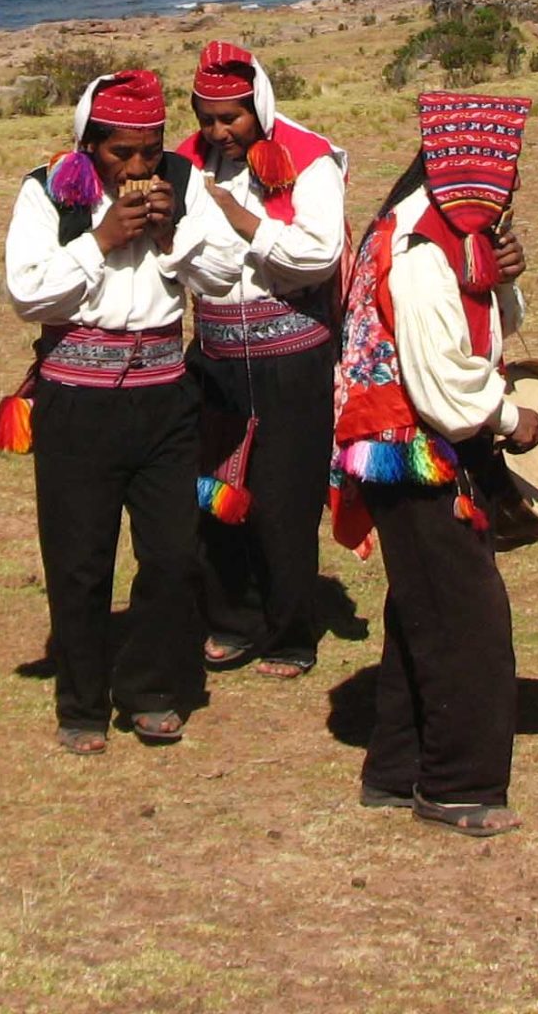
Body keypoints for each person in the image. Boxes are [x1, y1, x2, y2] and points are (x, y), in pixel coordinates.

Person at [328, 91, 538, 837]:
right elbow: (447, 388)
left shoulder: (452, 233)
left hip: (424, 446)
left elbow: (491, 321)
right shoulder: (419, 249)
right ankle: (457, 786)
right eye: (506, 173)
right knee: (466, 621)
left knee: (422, 608)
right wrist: (514, 419)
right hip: (412, 451)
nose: (512, 188)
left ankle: (396, 769)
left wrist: (503, 275)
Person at [2, 69, 239, 754]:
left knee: (171, 556)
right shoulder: (48, 191)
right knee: (79, 560)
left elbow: (225, 275)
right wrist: (100, 241)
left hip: (165, 397)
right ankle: (81, 702)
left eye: (150, 149)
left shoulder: (184, 185)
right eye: (121, 153)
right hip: (76, 402)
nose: (139, 167)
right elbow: (28, 293)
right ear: (88, 145)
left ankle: (152, 687)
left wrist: (175, 236)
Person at [178, 39, 349, 680]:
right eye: (206, 119)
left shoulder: (309, 160)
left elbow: (319, 252)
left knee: (284, 495)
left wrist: (245, 222)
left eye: (232, 118)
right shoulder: (189, 163)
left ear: (260, 106)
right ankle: (230, 616)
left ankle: (290, 630)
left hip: (293, 354)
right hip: (217, 349)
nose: (218, 132)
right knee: (216, 487)